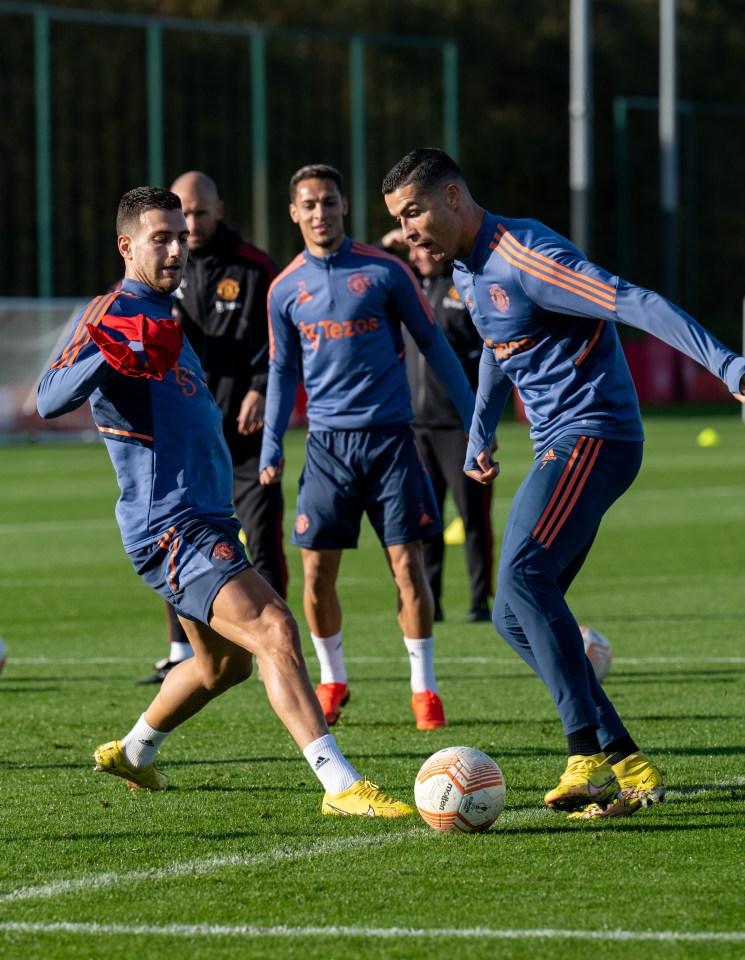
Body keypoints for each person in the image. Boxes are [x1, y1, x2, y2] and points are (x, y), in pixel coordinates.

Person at [382, 147, 745, 819]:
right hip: (557, 442)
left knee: (523, 577)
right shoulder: (469, 273)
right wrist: (481, 431)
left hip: (597, 434)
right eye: (399, 219)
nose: (409, 230)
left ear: (452, 198)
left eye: (413, 212)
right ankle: (628, 761)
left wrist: (726, 362)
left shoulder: (526, 255)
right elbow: (503, 352)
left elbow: (632, 301)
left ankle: (585, 752)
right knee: (512, 614)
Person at [36, 186, 413, 817]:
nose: (178, 248)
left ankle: (135, 749)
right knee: (275, 628)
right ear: (127, 246)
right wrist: (112, 350)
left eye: (181, 236)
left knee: (223, 668)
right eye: (162, 237)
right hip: (172, 525)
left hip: (205, 517)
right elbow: (49, 397)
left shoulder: (163, 315)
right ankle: (340, 784)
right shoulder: (113, 312)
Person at [259, 164, 476, 730]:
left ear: (344, 206)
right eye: (309, 204)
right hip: (327, 449)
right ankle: (332, 679)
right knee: (315, 577)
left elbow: (433, 343)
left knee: (409, 569)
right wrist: (270, 446)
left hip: (391, 443)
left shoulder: (386, 271)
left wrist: (478, 417)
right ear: (294, 212)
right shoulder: (284, 288)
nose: (320, 213)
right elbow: (282, 371)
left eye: (329, 202)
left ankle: (423, 690)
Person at [138, 170, 287, 685]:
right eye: (184, 216)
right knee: (173, 543)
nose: (192, 225)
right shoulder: (160, 274)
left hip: (246, 436)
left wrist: (262, 386)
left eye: (201, 213)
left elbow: (283, 338)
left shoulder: (254, 267)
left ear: (219, 210)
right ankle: (181, 652)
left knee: (263, 538)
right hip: (186, 443)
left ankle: (278, 646)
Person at [381, 228, 494, 624]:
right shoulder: (407, 289)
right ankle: (433, 602)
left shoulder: (463, 285)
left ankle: (481, 601)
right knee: (426, 520)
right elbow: (369, 274)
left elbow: (490, 356)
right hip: (416, 427)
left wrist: (482, 422)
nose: (417, 256)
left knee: (474, 517)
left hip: (460, 427)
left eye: (423, 247)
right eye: (411, 250)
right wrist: (388, 244)